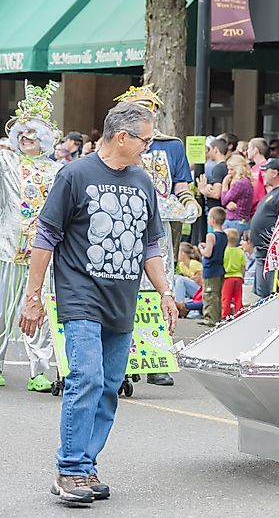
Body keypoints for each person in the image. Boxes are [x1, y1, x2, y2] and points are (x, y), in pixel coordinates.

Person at [20, 101, 176, 504]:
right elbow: (45, 236)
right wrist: (33, 297)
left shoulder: (142, 181)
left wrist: (165, 292)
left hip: (122, 300)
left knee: (109, 386)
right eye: (146, 138)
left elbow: (150, 244)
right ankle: (69, 469)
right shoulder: (75, 175)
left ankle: (87, 465)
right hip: (81, 296)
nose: (149, 146)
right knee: (85, 377)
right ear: (122, 137)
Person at [116, 85, 200, 387]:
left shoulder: (172, 146)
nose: (147, 113)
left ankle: (156, 358)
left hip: (158, 227)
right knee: (125, 290)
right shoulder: (121, 144)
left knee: (158, 288)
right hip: (123, 224)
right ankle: (124, 358)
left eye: (150, 108)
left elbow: (180, 183)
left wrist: (189, 200)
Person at [0, 81, 63, 392]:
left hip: (42, 250)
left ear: (45, 140)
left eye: (33, 135)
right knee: (1, 309)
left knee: (38, 307)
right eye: (22, 134)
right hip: (7, 247)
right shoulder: (5, 164)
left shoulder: (57, 171)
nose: (26, 139)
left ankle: (38, 370)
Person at [249, 159, 279, 298]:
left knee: (269, 293)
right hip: (262, 252)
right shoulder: (274, 192)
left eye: (266, 171)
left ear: (275, 173)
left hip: (272, 254)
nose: (263, 174)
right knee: (262, 293)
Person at [199, 207, 227, 326]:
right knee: (217, 295)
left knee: (209, 295)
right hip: (220, 268)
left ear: (212, 220)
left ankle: (210, 318)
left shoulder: (210, 235)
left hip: (210, 269)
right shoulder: (224, 235)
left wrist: (201, 249)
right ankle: (217, 317)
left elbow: (208, 253)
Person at [220, 154, 254, 237]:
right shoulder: (246, 181)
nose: (229, 173)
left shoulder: (240, 183)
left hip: (235, 221)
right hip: (240, 221)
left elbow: (224, 200)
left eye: (232, 169)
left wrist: (224, 185)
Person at [197, 138, 230, 212]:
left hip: (216, 210)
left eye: (210, 149)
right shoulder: (228, 166)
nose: (208, 152)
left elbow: (216, 194)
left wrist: (202, 190)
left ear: (215, 149)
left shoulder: (218, 168)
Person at [221, 228, 246, 319]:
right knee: (238, 298)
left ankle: (225, 316)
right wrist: (242, 276)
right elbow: (243, 266)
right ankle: (239, 314)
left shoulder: (224, 251)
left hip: (227, 277)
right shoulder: (240, 251)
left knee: (226, 298)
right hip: (238, 277)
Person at [247, 137, 269, 210]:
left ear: (255, 150)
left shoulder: (267, 167)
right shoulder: (252, 168)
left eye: (249, 148)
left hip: (261, 207)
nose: (247, 151)